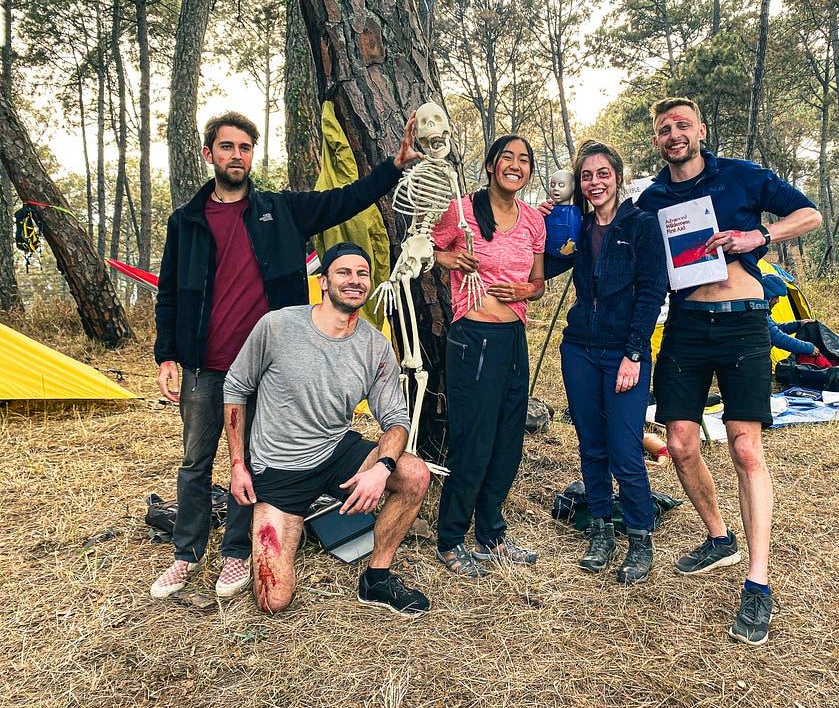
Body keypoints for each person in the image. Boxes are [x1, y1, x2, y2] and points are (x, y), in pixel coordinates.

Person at [151, 110, 420, 599]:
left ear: (253, 155)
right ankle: (185, 554)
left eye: (245, 148)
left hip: (270, 368)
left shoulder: (280, 209)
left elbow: (344, 200)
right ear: (208, 153)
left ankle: (235, 554)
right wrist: (166, 354)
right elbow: (169, 291)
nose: (237, 155)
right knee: (196, 460)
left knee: (252, 461)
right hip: (207, 364)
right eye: (227, 147)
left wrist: (393, 168)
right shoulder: (186, 221)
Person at [636, 97, 821, 646]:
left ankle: (758, 583)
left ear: (701, 130)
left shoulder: (741, 177)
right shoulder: (651, 199)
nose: (674, 134)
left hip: (743, 321)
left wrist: (757, 238)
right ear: (657, 141)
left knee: (745, 449)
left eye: (683, 126)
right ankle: (720, 538)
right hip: (686, 326)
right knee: (681, 442)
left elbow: (809, 214)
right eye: (665, 128)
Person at [222, 242, 431, 616]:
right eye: (344, 272)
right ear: (323, 281)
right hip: (279, 467)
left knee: (414, 473)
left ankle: (377, 580)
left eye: (362, 274)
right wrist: (238, 463)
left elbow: (396, 420)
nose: (355, 280)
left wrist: (381, 470)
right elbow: (235, 389)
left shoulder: (374, 345)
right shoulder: (278, 326)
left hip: (335, 452)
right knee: (274, 600)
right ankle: (289, 523)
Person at [550, 140, 667, 584]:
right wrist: (546, 218)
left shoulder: (641, 225)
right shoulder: (576, 227)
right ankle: (601, 528)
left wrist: (634, 353)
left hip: (624, 353)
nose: (595, 182)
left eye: (602, 173)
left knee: (624, 448)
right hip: (579, 348)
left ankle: (640, 536)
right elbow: (548, 260)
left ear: (618, 176)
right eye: (586, 176)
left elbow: (653, 292)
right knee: (591, 444)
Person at [431, 134, 546, 578]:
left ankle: (491, 533)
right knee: (473, 441)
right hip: (473, 337)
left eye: (524, 160)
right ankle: (450, 538)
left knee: (507, 440)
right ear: (492, 164)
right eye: (507, 158)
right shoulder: (461, 211)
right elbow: (425, 251)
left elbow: (538, 284)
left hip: (514, 338)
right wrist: (450, 258)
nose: (515, 165)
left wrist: (524, 291)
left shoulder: (533, 220)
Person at [760, 274, 820, 358]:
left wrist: (799, 324)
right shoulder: (758, 314)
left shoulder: (761, 312)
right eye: (776, 297)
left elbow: (774, 328)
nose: (777, 301)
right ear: (767, 295)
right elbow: (777, 337)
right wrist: (808, 348)